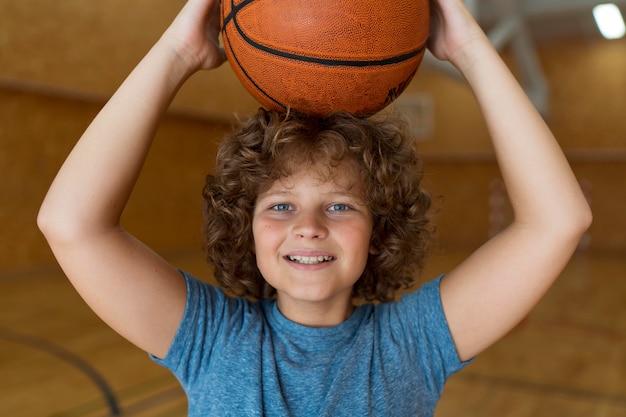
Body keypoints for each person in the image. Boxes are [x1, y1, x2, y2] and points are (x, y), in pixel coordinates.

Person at [37, 0, 592, 415]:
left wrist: (470, 50)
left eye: (341, 207)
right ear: (245, 228)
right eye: (279, 206)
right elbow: (70, 225)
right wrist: (177, 52)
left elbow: (558, 222)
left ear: (379, 230)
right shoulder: (212, 340)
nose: (307, 228)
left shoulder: (411, 344)